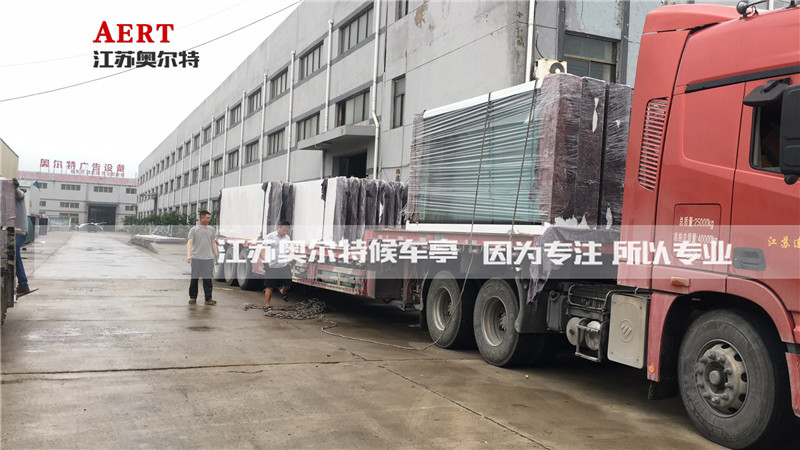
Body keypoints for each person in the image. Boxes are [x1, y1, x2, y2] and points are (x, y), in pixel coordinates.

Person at [186, 210, 219, 305]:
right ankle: (193, 298)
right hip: (196, 258)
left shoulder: (211, 230)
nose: (209, 220)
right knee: (194, 279)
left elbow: (213, 242)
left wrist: (216, 253)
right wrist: (188, 255)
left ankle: (208, 299)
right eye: (207, 218)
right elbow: (189, 243)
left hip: (208, 259)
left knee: (207, 279)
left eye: (209, 218)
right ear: (202, 218)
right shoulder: (194, 230)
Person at [262, 220, 292, 314]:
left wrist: (288, 260)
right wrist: (265, 261)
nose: (285, 232)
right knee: (270, 286)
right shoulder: (270, 237)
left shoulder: (287, 238)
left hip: (284, 265)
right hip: (272, 266)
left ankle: (283, 291)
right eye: (284, 230)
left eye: (287, 230)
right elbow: (262, 249)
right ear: (279, 228)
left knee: (288, 284)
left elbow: (288, 250)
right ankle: (267, 306)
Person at [13, 179, 31, 297]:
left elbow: (20, 194)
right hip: (7, 230)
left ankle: (23, 284)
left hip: (19, 231)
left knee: (13, 253)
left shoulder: (18, 194)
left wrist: (14, 188)